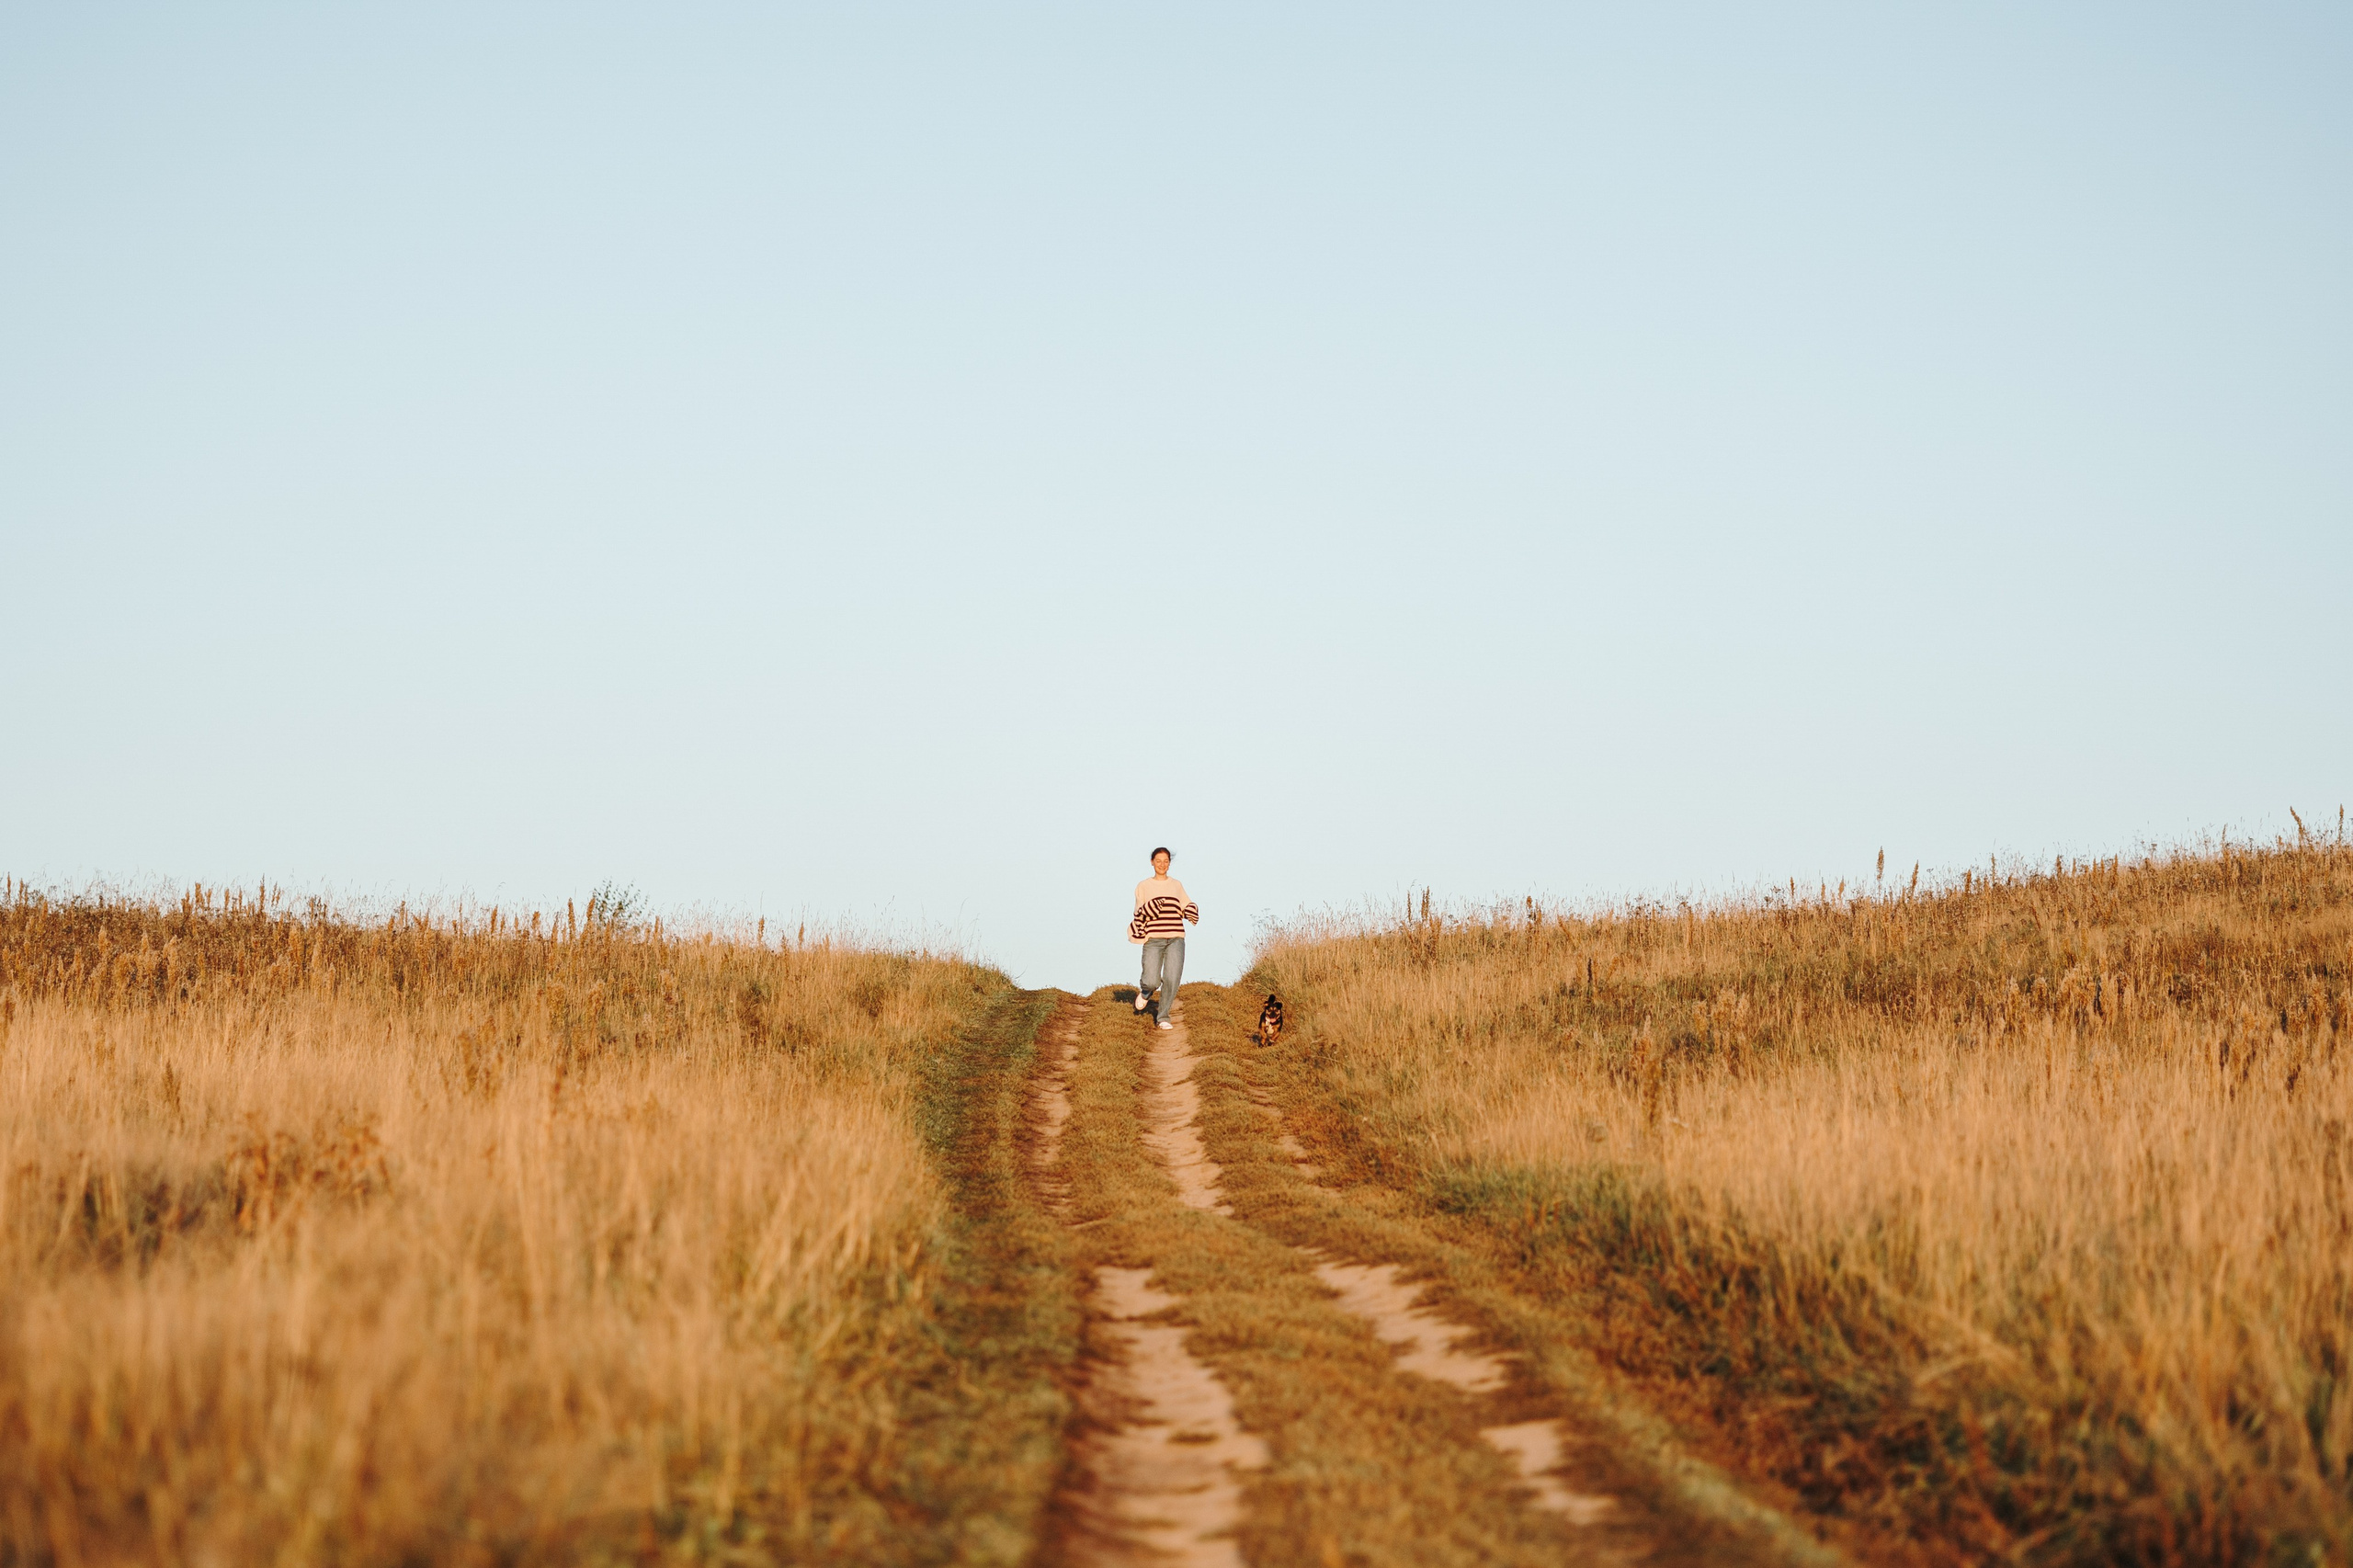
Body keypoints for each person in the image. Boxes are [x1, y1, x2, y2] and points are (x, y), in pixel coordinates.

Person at [1127, 846, 1199, 1029]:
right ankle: (1146, 992)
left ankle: (1163, 1017)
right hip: (1154, 939)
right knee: (1152, 980)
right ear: (1152, 862)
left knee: (1172, 977)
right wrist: (1151, 907)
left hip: (1176, 937)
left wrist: (1191, 910)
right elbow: (1139, 911)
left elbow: (1186, 904)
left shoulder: (1176, 885)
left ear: (1169, 863)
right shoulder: (1144, 885)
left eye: (1166, 861)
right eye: (1158, 861)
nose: (1162, 865)